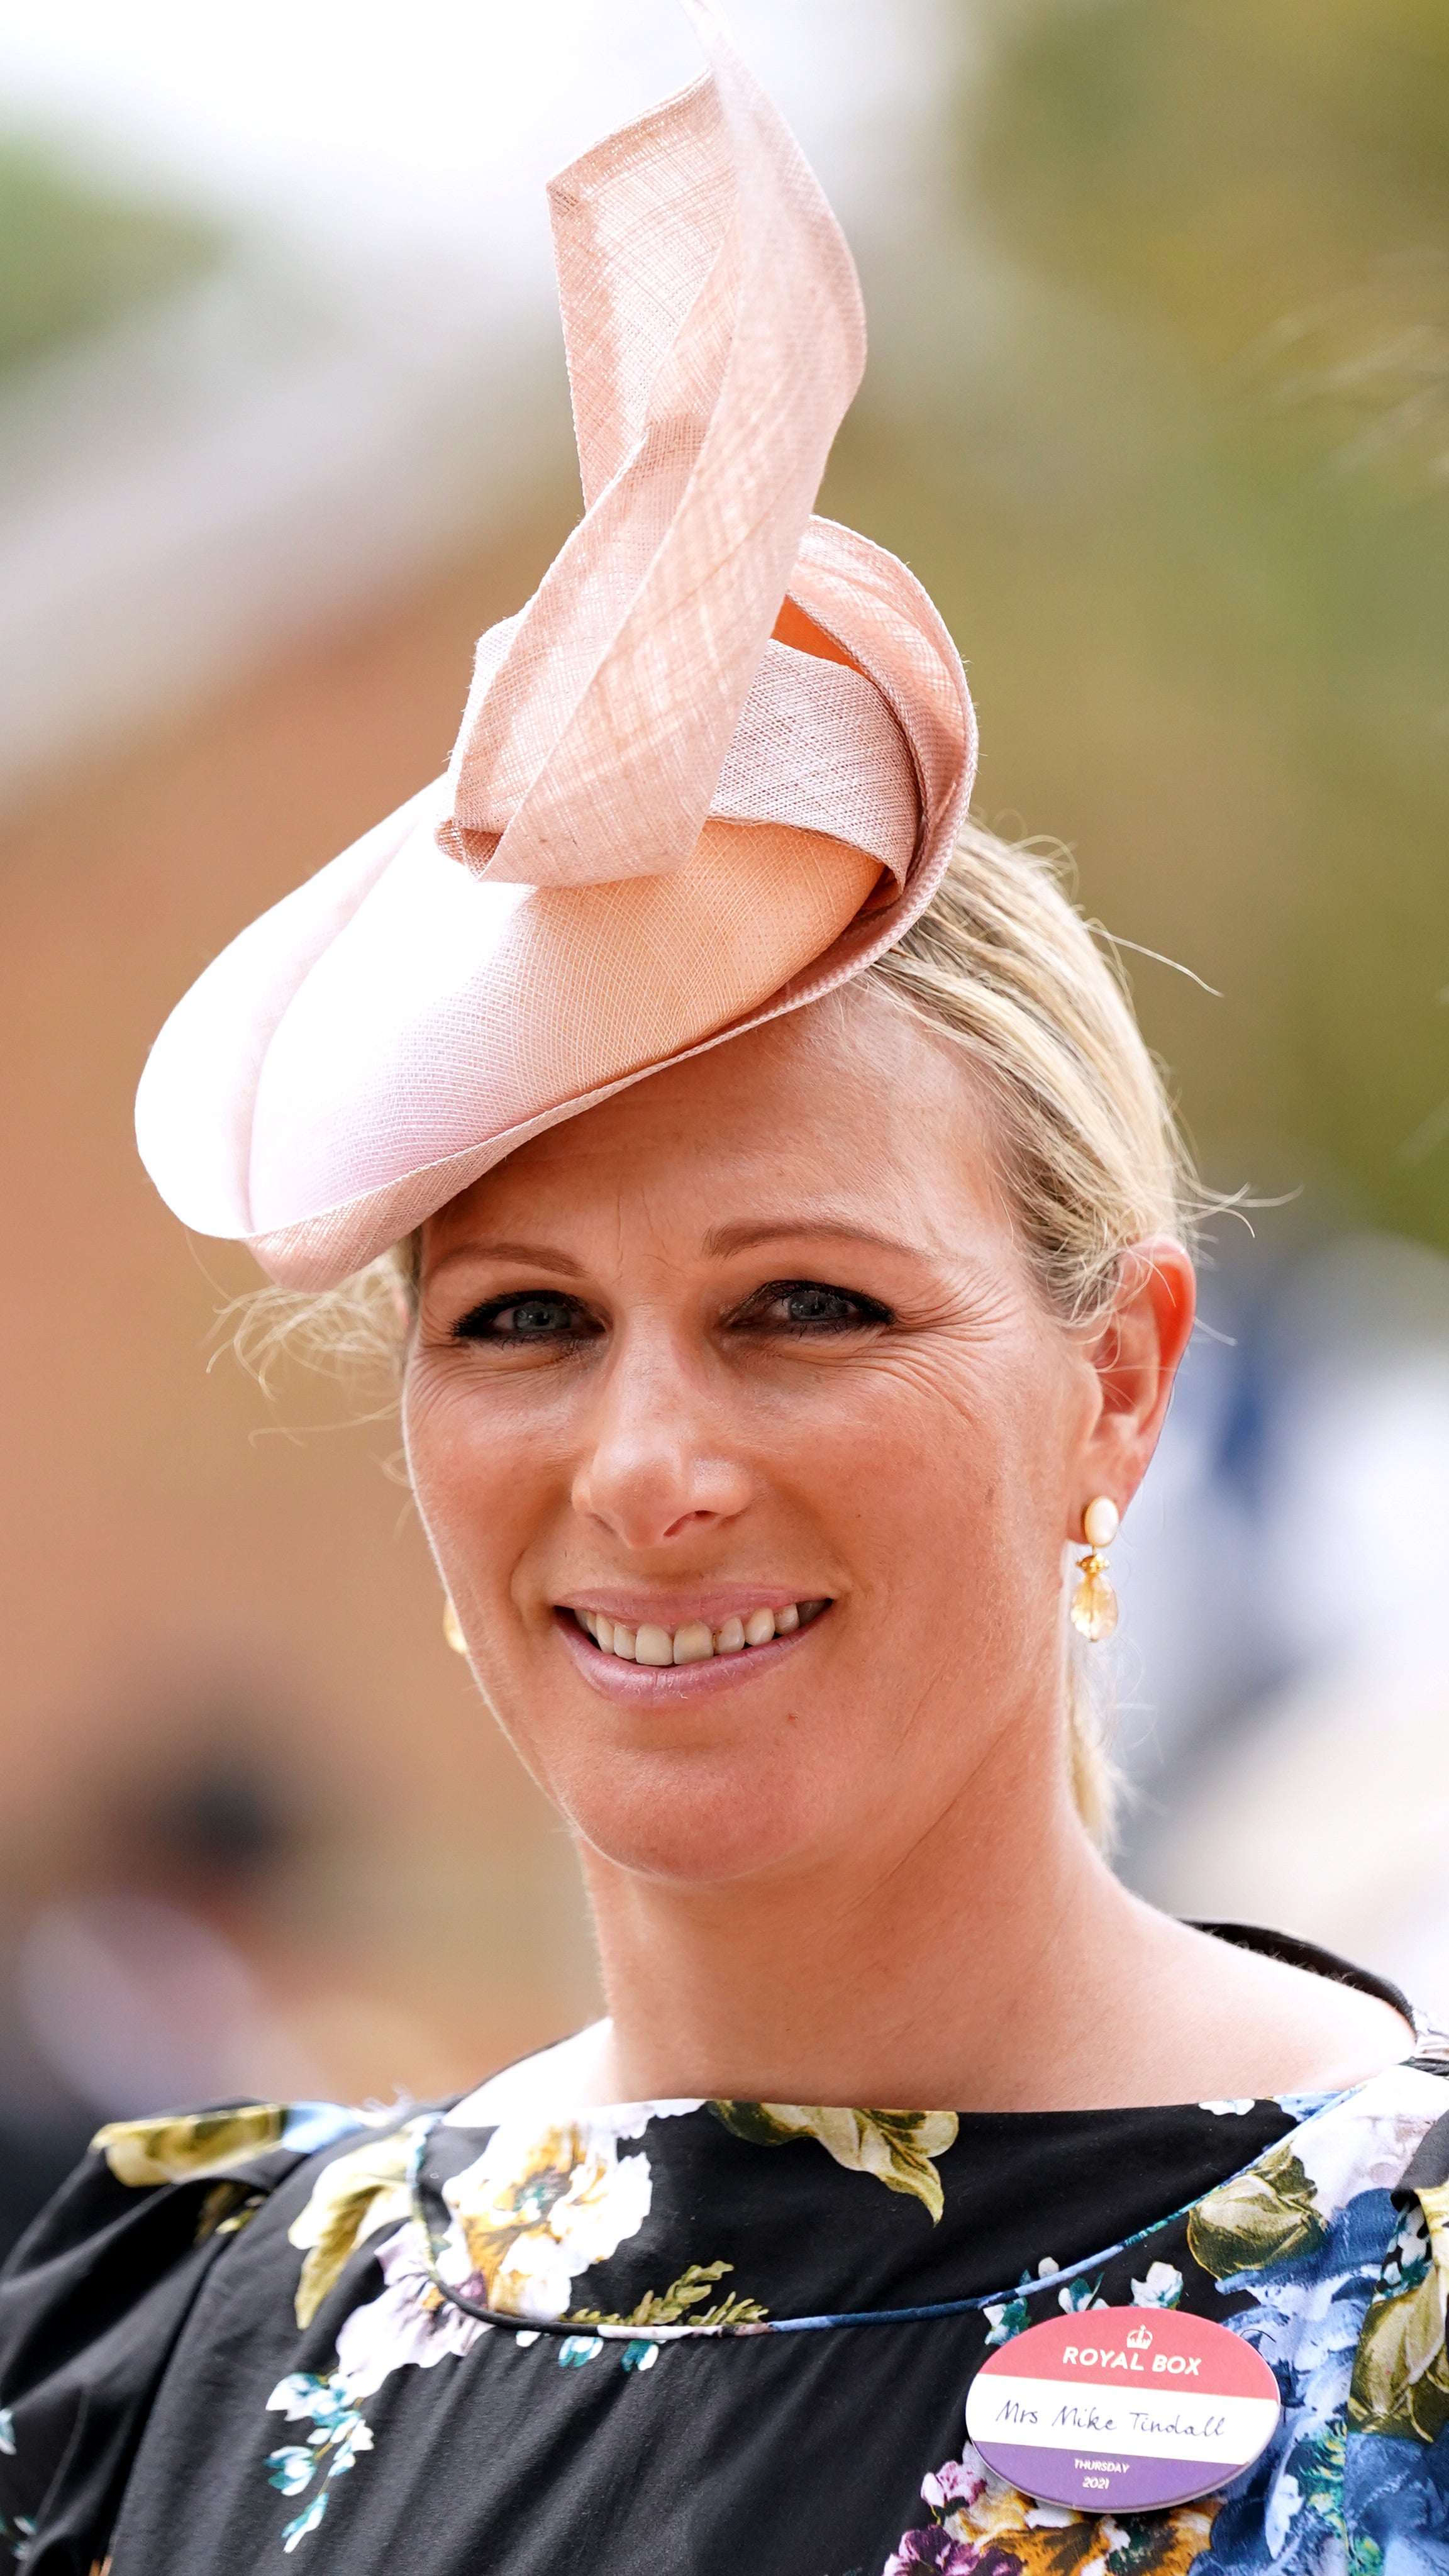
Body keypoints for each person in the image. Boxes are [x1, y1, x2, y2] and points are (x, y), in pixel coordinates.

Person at [2, 8, 1446, 2571]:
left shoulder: (1402, 2304)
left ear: (1117, 1380)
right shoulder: (192, 2336)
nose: (652, 1463)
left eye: (807, 1308)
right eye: (525, 1319)